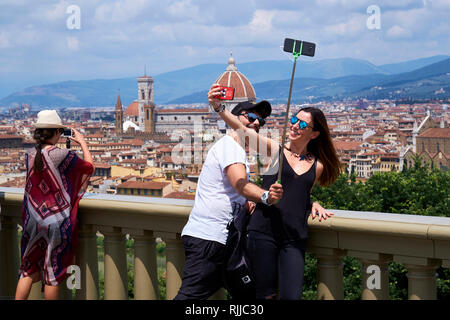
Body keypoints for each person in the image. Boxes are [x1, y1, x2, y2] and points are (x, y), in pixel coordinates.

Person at [208, 84, 341, 299]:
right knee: (263, 296)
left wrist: (311, 204)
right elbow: (244, 132)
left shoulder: (317, 166)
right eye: (294, 120)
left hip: (293, 238)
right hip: (262, 233)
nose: (295, 126)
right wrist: (219, 108)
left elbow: (298, 194)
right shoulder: (275, 150)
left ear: (315, 133)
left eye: (302, 123)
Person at [174, 99, 283, 300]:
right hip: (209, 239)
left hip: (224, 241)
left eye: (261, 121)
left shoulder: (236, 149)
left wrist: (246, 202)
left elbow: (231, 191)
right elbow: (239, 184)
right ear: (235, 119)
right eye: (250, 117)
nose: (256, 123)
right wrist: (265, 196)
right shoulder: (230, 147)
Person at [15, 110, 94, 300]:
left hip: (33, 221)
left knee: (27, 269)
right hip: (56, 224)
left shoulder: (30, 155)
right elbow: (88, 168)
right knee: (53, 274)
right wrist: (82, 142)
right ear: (57, 132)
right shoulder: (63, 155)